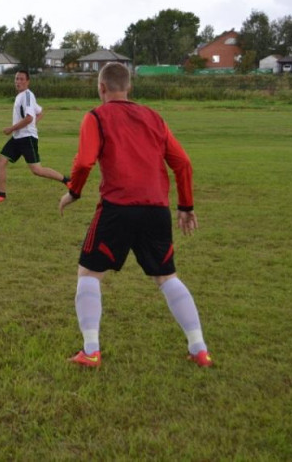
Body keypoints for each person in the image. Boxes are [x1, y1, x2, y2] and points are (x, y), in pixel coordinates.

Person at [59, 62, 212, 368]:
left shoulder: (96, 116)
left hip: (117, 209)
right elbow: (182, 162)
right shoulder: (154, 117)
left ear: (101, 88)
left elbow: (85, 161)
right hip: (156, 211)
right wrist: (185, 206)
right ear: (129, 87)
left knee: (89, 274)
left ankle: (91, 351)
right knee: (166, 277)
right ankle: (199, 349)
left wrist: (74, 191)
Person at [0, 69, 69, 203]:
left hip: (27, 138)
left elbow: (29, 118)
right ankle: (1, 195)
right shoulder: (21, 96)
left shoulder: (27, 96)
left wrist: (11, 128)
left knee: (37, 170)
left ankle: (67, 181)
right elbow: (40, 112)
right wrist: (31, 124)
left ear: (28, 82)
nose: (18, 81)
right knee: (1, 162)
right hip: (17, 137)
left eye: (21, 79)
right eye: (16, 79)